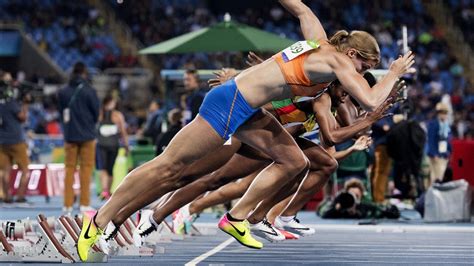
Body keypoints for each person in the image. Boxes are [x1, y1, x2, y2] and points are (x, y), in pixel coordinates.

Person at [77, 0, 414, 259]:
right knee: (169, 168)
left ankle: (238, 218)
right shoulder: (338, 61)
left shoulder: (319, 40)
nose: (360, 74)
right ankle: (100, 219)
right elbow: (370, 100)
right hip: (230, 103)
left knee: (295, 161)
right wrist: (394, 72)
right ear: (352, 53)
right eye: (364, 67)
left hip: (249, 110)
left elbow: (299, 6)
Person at [58, 62, 100, 213]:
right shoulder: (90, 91)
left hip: (70, 136)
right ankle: (84, 204)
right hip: (87, 136)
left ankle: (67, 204)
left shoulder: (63, 91)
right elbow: (96, 113)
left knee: (69, 169)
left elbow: (61, 113)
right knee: (86, 169)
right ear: (84, 73)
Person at [0, 72, 30, 203]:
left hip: (2, 141)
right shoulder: (11, 103)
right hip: (16, 140)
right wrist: (25, 104)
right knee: (25, 170)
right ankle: (20, 196)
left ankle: (6, 196)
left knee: (4, 170)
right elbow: (22, 118)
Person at [97, 95, 129, 200]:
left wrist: (126, 145)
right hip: (105, 145)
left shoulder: (114, 115)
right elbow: (123, 132)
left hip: (110, 145)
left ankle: (107, 191)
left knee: (108, 169)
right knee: (104, 168)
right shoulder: (101, 114)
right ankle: (105, 190)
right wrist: (126, 145)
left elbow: (123, 131)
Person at [427, 102, 451, 184]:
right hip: (435, 154)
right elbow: (431, 139)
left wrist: (449, 151)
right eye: (442, 113)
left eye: (445, 113)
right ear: (438, 114)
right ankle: (433, 194)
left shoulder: (447, 125)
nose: (444, 115)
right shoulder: (433, 124)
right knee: (435, 176)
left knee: (440, 175)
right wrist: (434, 153)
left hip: (443, 153)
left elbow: (448, 140)